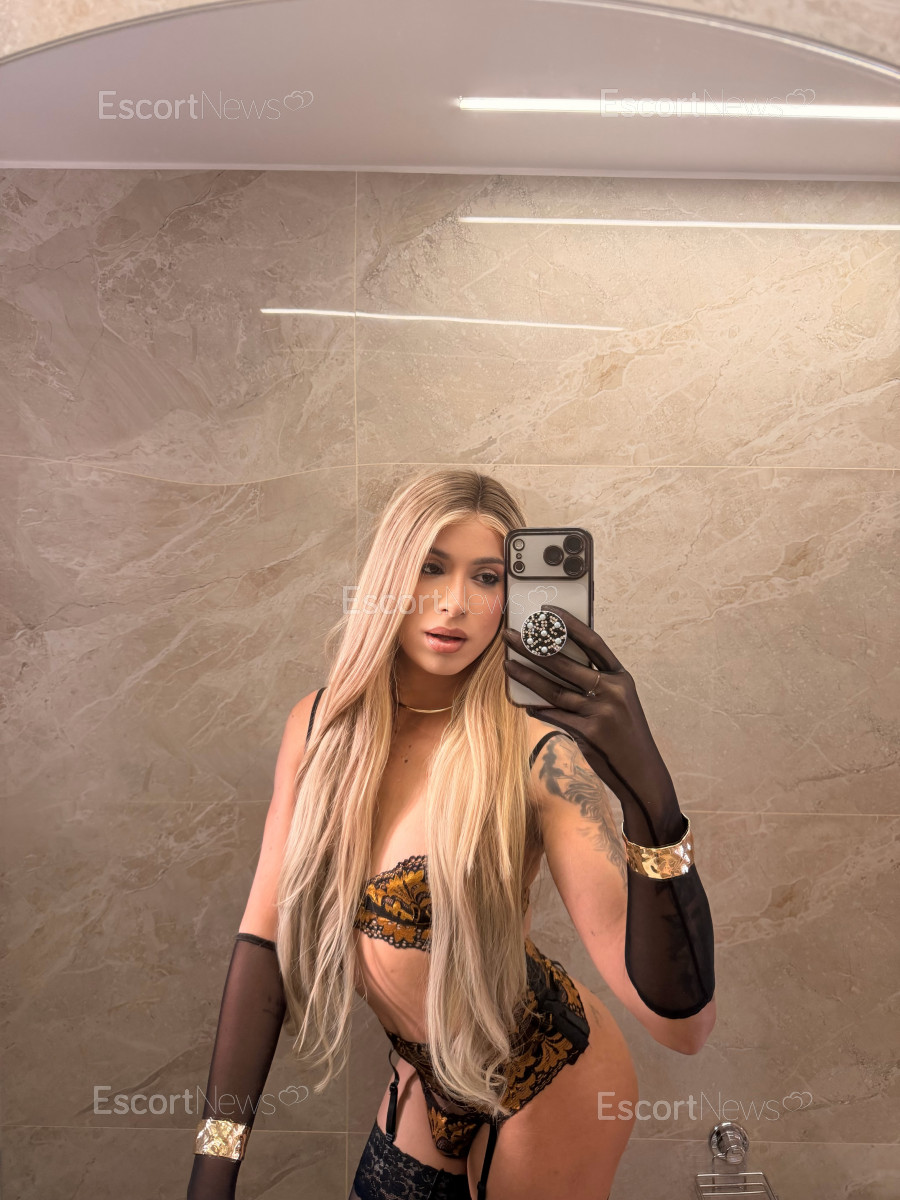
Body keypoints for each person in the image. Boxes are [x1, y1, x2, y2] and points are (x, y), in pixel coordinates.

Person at [186, 467, 716, 1200]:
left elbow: (681, 1027)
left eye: (487, 577)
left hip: (549, 1074)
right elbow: (264, 943)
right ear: (389, 577)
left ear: (514, 595)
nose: (454, 603)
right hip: (425, 1076)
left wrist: (650, 798)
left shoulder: (539, 755)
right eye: (430, 567)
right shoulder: (319, 730)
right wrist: (212, 1170)